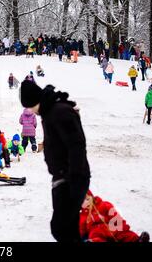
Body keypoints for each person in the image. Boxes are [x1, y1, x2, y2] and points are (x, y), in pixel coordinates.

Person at [20, 80, 90, 242]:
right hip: (61, 177)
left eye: (29, 106)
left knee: (60, 228)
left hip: (71, 177)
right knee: (68, 228)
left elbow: (76, 144)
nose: (30, 110)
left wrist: (74, 177)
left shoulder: (59, 112)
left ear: (34, 101)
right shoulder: (50, 112)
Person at [80, 190, 150, 242]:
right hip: (97, 231)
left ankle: (138, 240)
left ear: (92, 197)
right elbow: (81, 229)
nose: (87, 202)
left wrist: (123, 228)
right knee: (95, 236)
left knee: (124, 234)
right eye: (83, 201)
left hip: (111, 227)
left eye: (88, 199)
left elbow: (115, 216)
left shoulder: (103, 205)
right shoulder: (83, 216)